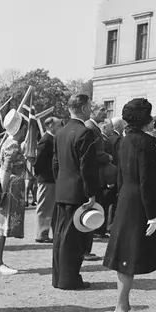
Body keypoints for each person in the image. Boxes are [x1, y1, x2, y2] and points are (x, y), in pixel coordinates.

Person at [104, 98, 156, 312]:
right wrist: (152, 214)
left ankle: (124, 306)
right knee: (128, 258)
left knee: (125, 257)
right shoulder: (146, 143)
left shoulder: (124, 140)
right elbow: (148, 181)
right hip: (138, 202)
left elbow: (121, 176)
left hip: (126, 199)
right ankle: (121, 309)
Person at [52, 94, 100, 290]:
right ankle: (69, 278)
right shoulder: (84, 132)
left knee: (60, 236)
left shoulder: (60, 132)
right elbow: (87, 167)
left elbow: (55, 163)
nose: (91, 109)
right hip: (77, 190)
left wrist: (60, 183)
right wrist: (91, 193)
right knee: (74, 239)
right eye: (89, 106)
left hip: (63, 189)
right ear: (83, 108)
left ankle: (59, 277)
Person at [0, 109, 28, 275]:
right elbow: (6, 170)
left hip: (7, 186)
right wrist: (2, 192)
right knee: (2, 227)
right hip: (10, 188)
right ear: (21, 128)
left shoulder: (7, 142)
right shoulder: (13, 145)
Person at [85, 106, 114, 250]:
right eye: (102, 111)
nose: (105, 113)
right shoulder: (91, 128)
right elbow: (94, 152)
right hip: (96, 173)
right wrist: (108, 157)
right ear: (93, 112)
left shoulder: (93, 127)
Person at [33, 116, 61, 243]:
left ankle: (48, 233)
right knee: (44, 207)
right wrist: (40, 175)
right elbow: (39, 161)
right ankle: (41, 234)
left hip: (52, 178)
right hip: (46, 178)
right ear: (50, 126)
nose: (60, 128)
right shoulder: (46, 140)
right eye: (58, 125)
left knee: (51, 207)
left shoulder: (52, 139)